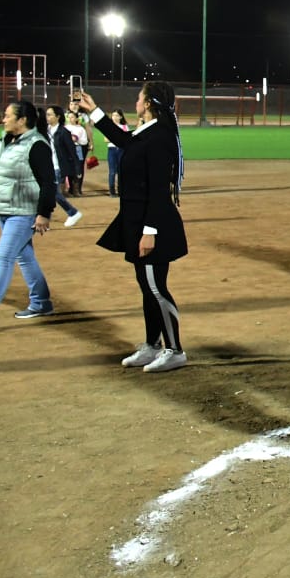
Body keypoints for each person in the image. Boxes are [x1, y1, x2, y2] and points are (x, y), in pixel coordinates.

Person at [72, 84, 191, 373]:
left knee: (156, 288)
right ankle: (152, 346)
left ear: (148, 103)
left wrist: (150, 231)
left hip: (153, 225)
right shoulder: (147, 132)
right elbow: (123, 140)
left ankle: (175, 350)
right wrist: (94, 111)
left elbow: (160, 190)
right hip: (136, 221)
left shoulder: (160, 136)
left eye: (139, 97)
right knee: (146, 288)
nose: (136, 101)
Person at [0, 101, 57, 319]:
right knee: (25, 258)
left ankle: (41, 302)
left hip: (23, 212)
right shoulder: (7, 141)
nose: (4, 119)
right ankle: (41, 302)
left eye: (7, 116)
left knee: (3, 258)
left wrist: (44, 213)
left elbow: (48, 182)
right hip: (5, 208)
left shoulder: (36, 144)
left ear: (22, 120)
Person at [43, 106, 82, 227]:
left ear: (58, 117)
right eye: (47, 114)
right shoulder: (45, 130)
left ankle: (72, 212)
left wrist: (77, 169)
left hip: (57, 168)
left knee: (53, 193)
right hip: (47, 166)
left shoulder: (64, 132)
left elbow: (72, 151)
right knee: (47, 193)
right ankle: (46, 221)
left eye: (50, 114)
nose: (47, 117)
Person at [103, 109, 130, 196]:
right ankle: (112, 191)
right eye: (113, 115)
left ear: (121, 117)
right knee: (112, 171)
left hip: (121, 150)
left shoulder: (125, 127)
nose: (115, 117)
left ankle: (120, 190)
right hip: (112, 150)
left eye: (117, 115)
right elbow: (106, 139)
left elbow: (127, 139)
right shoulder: (109, 126)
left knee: (120, 171)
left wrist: (115, 138)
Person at [66, 111, 89, 196]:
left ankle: (77, 189)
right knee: (70, 168)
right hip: (69, 149)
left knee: (78, 168)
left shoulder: (80, 128)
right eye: (69, 117)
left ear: (76, 118)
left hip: (78, 148)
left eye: (72, 117)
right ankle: (71, 189)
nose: (70, 119)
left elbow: (74, 138)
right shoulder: (66, 127)